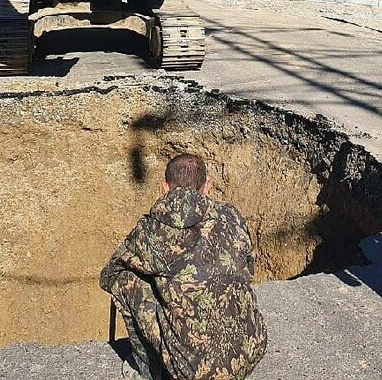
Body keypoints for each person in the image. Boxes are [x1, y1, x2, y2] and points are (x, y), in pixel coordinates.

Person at [100, 153, 267, 380]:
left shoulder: (150, 229)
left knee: (124, 281)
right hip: (250, 351)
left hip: (192, 372)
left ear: (164, 187)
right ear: (206, 187)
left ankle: (148, 372)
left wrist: (159, 285)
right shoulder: (232, 215)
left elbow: (109, 274)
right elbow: (248, 270)